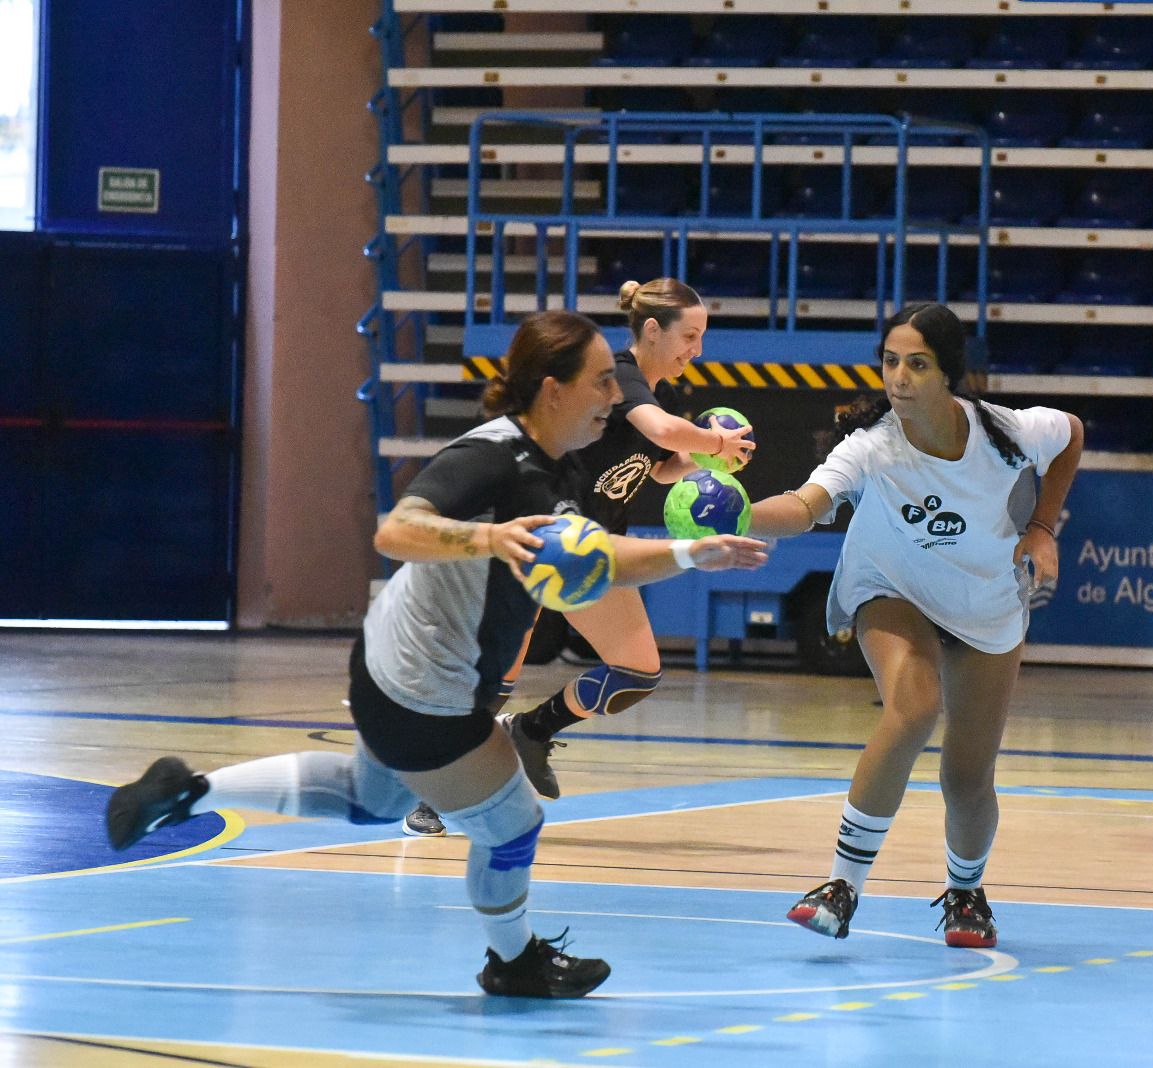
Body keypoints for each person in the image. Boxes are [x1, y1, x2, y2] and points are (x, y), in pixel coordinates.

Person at [103, 311, 768, 997]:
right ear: (553, 389)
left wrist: (691, 552)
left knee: (373, 799)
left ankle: (184, 791)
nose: (613, 396)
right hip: (426, 684)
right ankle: (515, 962)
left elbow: (603, 562)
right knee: (513, 823)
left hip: (398, 665)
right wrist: (487, 539)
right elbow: (398, 530)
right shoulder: (490, 455)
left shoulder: (561, 466)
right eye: (601, 382)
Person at [746, 303, 1083, 948]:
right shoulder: (873, 446)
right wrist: (732, 515)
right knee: (914, 703)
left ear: (949, 374)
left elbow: (1071, 432)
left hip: (983, 597)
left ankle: (965, 892)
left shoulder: (1006, 432)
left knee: (966, 775)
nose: (898, 377)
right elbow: (802, 508)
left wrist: (1041, 527)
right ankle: (840, 886)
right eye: (890, 361)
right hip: (888, 585)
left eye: (917, 365)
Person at [404, 277, 754, 835]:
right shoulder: (620, 374)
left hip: (594, 548)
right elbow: (662, 431)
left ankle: (532, 732)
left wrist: (706, 463)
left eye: (702, 337)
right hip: (543, 531)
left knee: (636, 672)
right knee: (497, 671)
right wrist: (715, 443)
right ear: (653, 330)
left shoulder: (659, 395)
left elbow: (658, 465)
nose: (698, 349)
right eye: (690, 335)